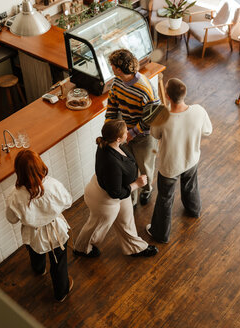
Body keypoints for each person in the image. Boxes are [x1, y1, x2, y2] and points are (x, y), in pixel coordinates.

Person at [73, 119, 158, 258]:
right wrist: (136, 184)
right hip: (104, 200)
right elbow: (115, 193)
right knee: (95, 227)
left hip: (118, 191)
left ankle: (134, 248)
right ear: (118, 138)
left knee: (126, 220)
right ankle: (81, 249)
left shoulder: (110, 143)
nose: (128, 133)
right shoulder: (111, 162)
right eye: (125, 132)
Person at [146, 79, 212, 243]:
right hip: (191, 159)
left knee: (165, 199)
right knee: (190, 186)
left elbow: (155, 135)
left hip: (170, 166)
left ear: (167, 96)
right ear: (185, 93)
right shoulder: (199, 111)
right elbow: (208, 131)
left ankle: (160, 233)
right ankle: (194, 210)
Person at [6, 149, 74, 302]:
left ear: (18, 171)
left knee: (35, 252)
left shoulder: (14, 195)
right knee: (58, 264)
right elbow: (68, 201)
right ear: (40, 166)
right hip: (55, 231)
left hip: (33, 234)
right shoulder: (53, 185)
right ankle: (61, 292)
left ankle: (39, 270)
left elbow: (11, 219)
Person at [105, 49, 159, 206]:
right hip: (125, 133)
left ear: (119, 69)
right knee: (129, 169)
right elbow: (112, 107)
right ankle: (132, 198)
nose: (111, 68)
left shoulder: (145, 89)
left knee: (145, 168)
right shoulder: (116, 82)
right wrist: (109, 128)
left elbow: (152, 117)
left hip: (144, 137)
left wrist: (132, 133)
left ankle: (147, 190)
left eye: (112, 66)